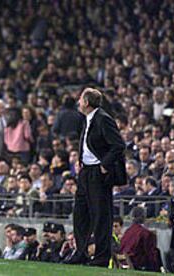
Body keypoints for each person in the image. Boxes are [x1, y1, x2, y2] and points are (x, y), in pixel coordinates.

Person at [68, 88, 126, 267]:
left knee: (101, 216)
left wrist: (104, 165)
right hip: (86, 172)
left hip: (98, 173)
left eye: (80, 99)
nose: (78, 102)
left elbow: (118, 145)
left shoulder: (103, 119)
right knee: (80, 214)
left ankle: (101, 257)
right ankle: (81, 252)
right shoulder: (88, 119)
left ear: (86, 102)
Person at [119, 207, 160, 271]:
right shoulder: (146, 233)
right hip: (137, 265)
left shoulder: (127, 231)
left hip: (123, 262)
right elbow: (151, 255)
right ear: (144, 217)